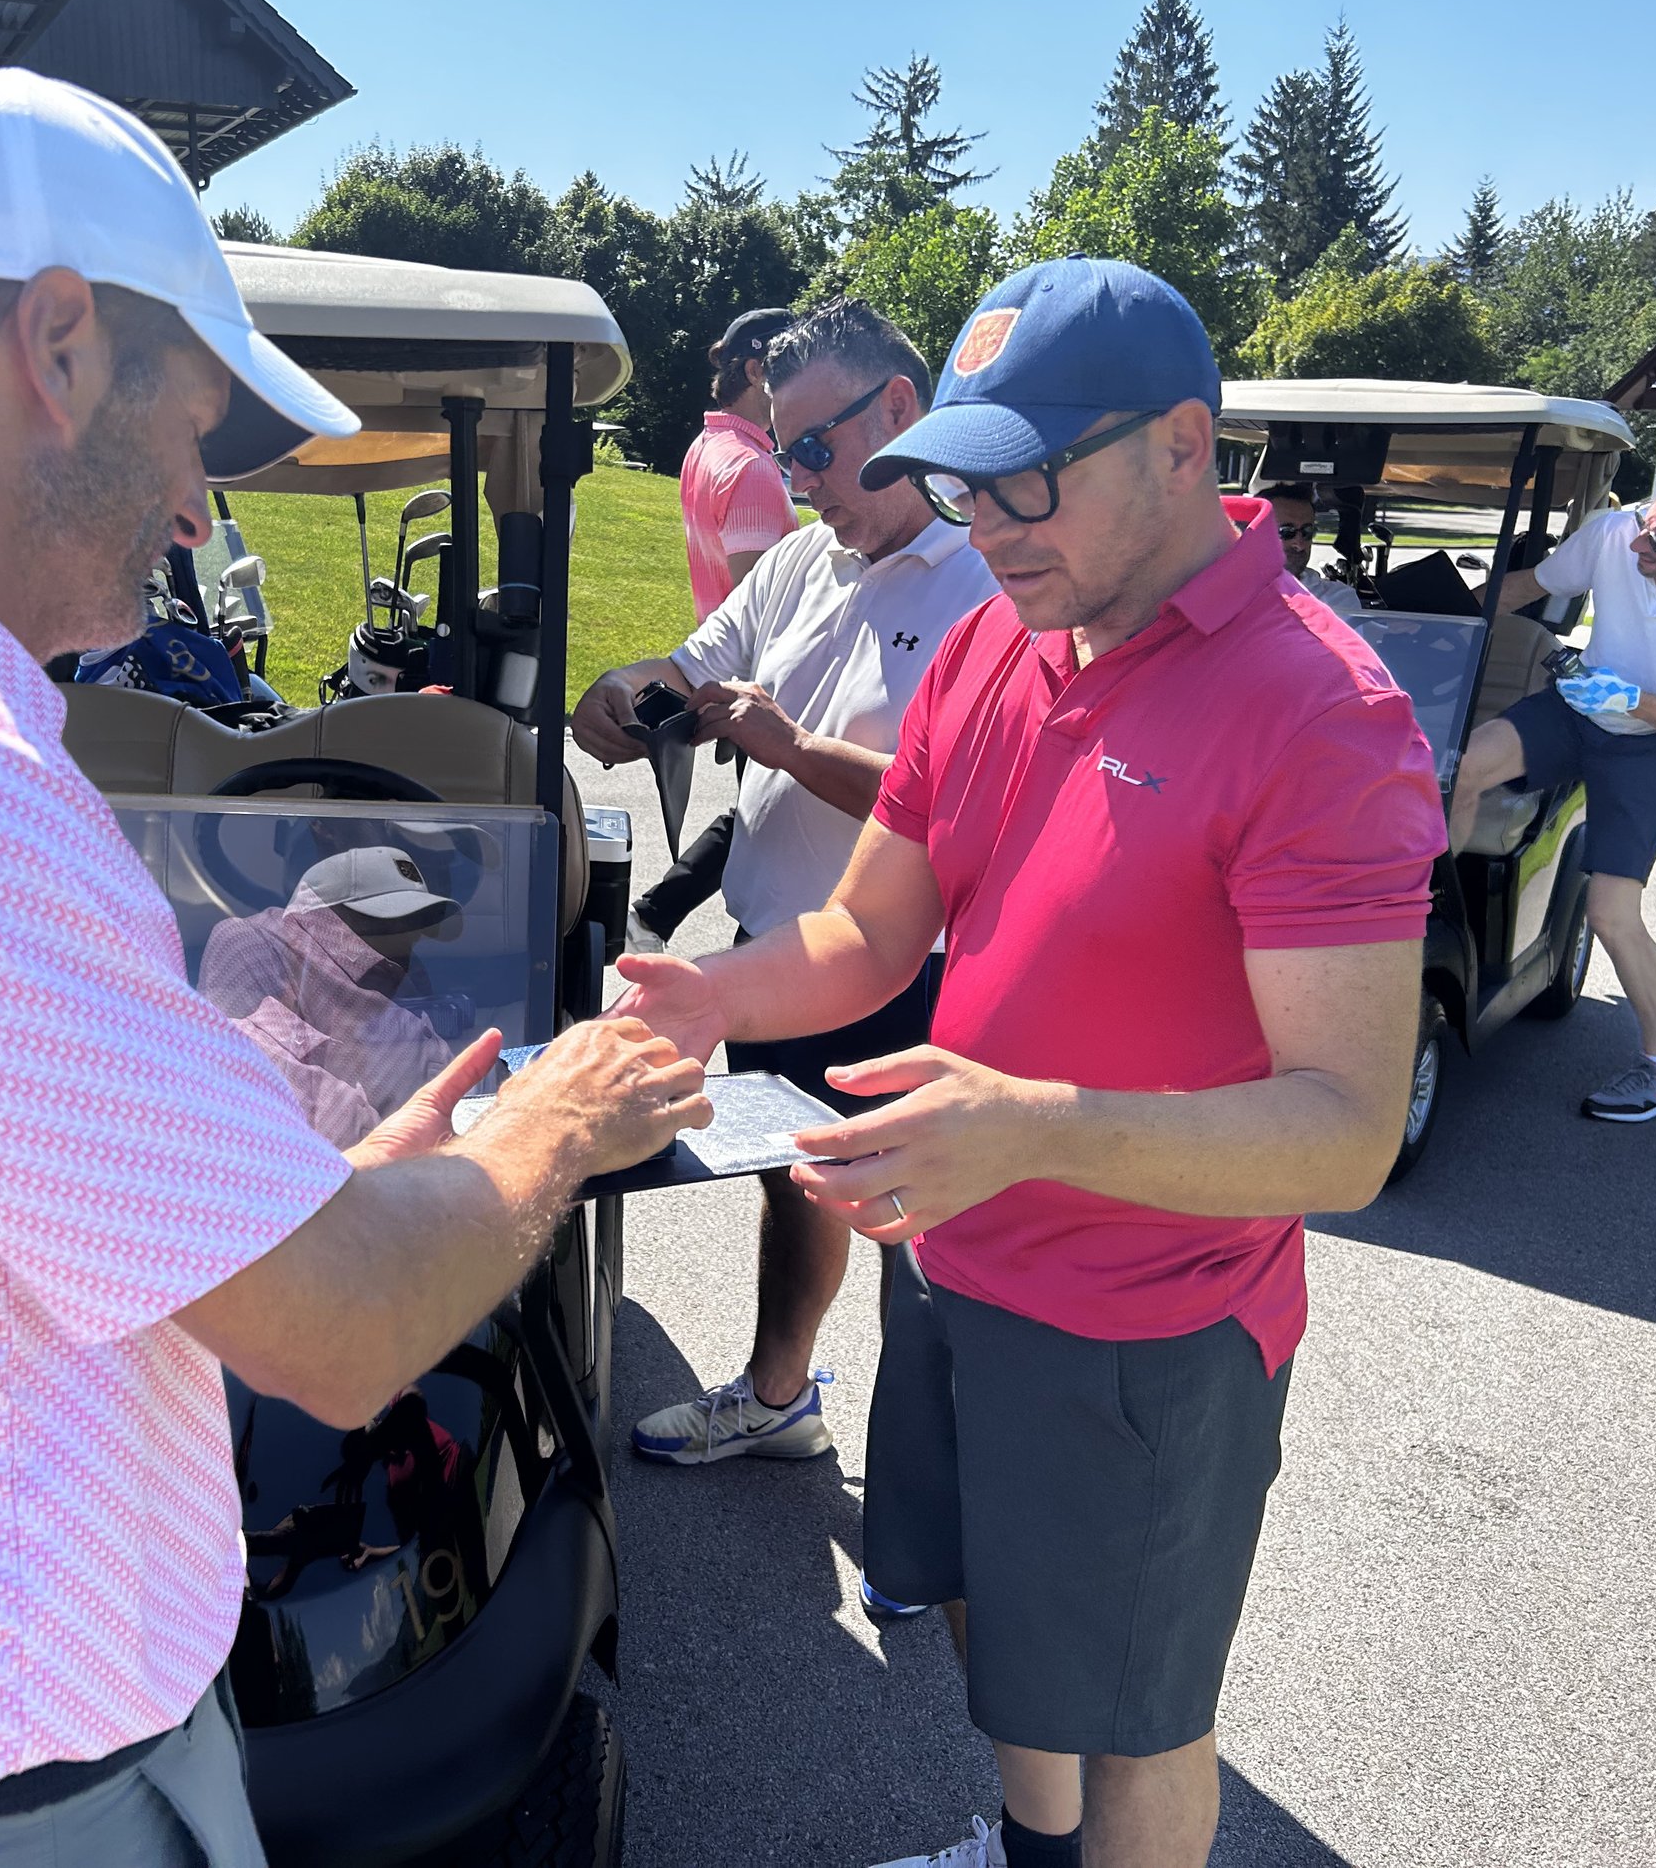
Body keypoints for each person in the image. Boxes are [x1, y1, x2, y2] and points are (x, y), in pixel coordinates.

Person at [0, 70, 709, 1868]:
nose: (192, 506)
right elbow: (337, 1336)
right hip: (1, 1815)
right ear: (60, 345)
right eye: (195, 427)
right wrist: (557, 1119)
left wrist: (324, 1189)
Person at [612, 259, 1445, 1868]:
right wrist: (701, 995)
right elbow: (868, 930)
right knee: (993, 1627)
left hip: (1147, 1324)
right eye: (962, 484)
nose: (985, 528)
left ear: (1184, 445)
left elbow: (1346, 1131)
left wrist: (1029, 1127)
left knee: (1139, 1719)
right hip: (953, 1247)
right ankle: (1026, 1844)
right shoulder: (1002, 639)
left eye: (1026, 481)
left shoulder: (1320, 714)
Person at [572, 299, 997, 1471]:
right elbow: (694, 662)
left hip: (909, 970)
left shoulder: (986, 584)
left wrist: (794, 747)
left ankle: (932, 1485)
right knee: (799, 1176)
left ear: (900, 411)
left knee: (918, 1233)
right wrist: (627, 690)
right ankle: (778, 1397)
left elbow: (964, 814)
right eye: (783, 448)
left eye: (813, 447)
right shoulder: (808, 558)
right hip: (780, 947)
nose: (796, 478)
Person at [1450, 469, 1656, 1123]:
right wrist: (1432, 617)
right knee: (1459, 770)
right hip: (1577, 708)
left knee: (1611, 912)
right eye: (1644, 526)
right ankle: (1434, 921)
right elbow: (1525, 587)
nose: (1638, 545)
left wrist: (1633, 701)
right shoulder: (1615, 534)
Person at [628, 306, 804, 953]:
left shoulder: (707, 448)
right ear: (758, 371)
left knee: (760, 818)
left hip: (729, 665)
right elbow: (761, 600)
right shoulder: (751, 468)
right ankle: (657, 919)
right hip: (758, 679)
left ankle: (654, 917)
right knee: (771, 827)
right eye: (794, 371)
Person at [199, 846, 467, 1148]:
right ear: (328, 918)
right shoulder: (254, 944)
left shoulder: (402, 997)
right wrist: (387, 1140)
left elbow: (451, 1099)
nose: (414, 934)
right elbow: (244, 1071)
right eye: (397, 919)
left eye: (417, 920)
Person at [1258, 479, 1362, 616]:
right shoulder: (1236, 592)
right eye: (1286, 532)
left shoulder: (1337, 598)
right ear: (1256, 534)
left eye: (1307, 532)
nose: (1299, 544)